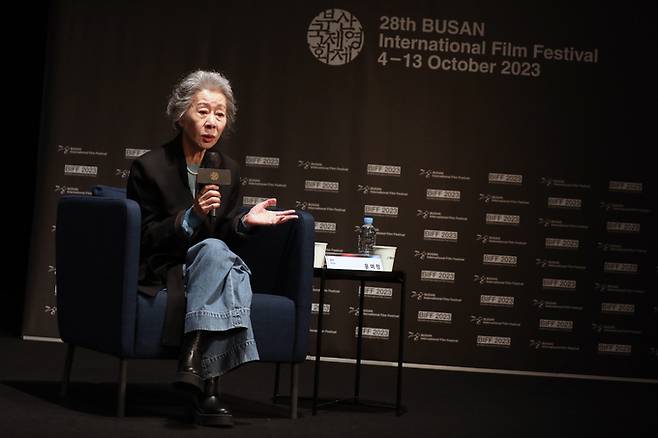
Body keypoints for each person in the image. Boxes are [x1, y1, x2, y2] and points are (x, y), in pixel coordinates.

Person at [126, 70, 297, 426]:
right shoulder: (149, 167)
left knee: (219, 255)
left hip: (208, 262)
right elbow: (144, 237)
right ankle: (210, 390)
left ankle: (193, 364)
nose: (211, 122)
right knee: (227, 267)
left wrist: (246, 222)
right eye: (203, 111)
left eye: (219, 114)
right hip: (166, 265)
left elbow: (225, 231)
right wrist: (190, 215)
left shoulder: (227, 169)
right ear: (180, 114)